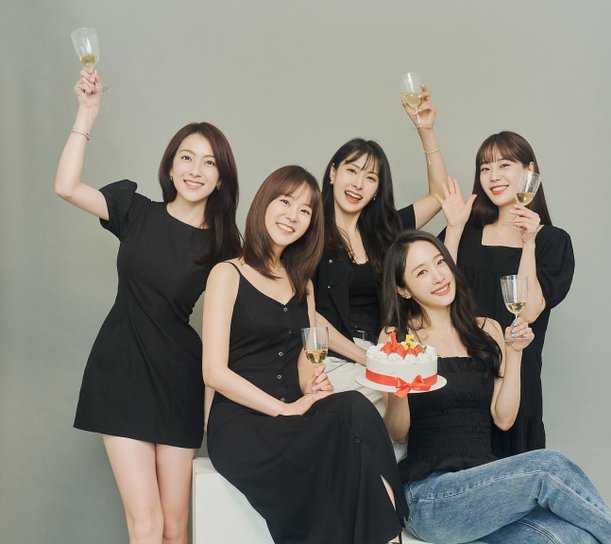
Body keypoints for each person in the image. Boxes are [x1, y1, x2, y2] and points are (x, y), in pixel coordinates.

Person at [54, 68, 240, 543]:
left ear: (221, 178)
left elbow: (255, 308)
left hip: (180, 380)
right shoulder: (135, 210)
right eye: (186, 158)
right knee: (147, 524)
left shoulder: (225, 245)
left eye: (209, 163)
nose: (195, 170)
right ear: (170, 167)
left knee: (175, 529)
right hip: (121, 371)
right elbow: (67, 186)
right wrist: (87, 112)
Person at [380, 230, 611, 544]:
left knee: (572, 538)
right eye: (421, 272)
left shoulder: (486, 329)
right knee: (549, 467)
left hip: (486, 490)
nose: (438, 276)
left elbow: (503, 418)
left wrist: (514, 353)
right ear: (403, 289)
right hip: (431, 498)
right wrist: (399, 386)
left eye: (440, 263)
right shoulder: (398, 338)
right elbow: (398, 433)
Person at [202, 165, 407, 544]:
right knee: (345, 440)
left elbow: (303, 356)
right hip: (242, 424)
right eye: (285, 202)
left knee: (355, 408)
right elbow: (213, 372)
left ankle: (389, 533)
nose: (292, 216)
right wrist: (285, 410)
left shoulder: (303, 284)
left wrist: (312, 384)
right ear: (264, 203)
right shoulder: (227, 274)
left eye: (305, 210)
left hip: (292, 413)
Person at [439, 131, 575, 456]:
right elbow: (438, 295)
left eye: (504, 165)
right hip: (461, 383)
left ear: (529, 171)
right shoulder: (464, 231)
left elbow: (526, 312)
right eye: (485, 168)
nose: (493, 176)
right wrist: (454, 229)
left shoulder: (553, 241)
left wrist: (529, 243)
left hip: (516, 384)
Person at [314, 87, 447, 408]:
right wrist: (369, 360)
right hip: (331, 358)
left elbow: (441, 196)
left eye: (370, 177)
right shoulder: (310, 232)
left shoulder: (386, 231)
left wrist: (426, 130)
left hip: (381, 354)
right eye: (351, 171)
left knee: (419, 401)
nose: (358, 184)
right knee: (385, 403)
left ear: (377, 189)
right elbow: (306, 315)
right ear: (333, 172)